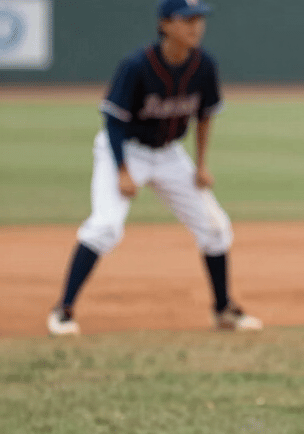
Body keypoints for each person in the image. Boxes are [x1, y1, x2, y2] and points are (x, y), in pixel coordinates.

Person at [46, 0, 261, 336]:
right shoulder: (136, 65)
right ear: (165, 25)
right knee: (105, 227)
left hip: (169, 154)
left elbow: (204, 116)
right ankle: (63, 310)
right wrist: (122, 171)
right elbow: (113, 121)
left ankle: (223, 310)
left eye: (199, 19)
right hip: (125, 149)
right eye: (187, 19)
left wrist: (201, 165)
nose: (195, 26)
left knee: (215, 228)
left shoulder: (204, 65)